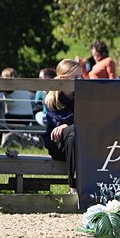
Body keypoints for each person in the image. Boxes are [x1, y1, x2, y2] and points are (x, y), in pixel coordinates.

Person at [43, 58, 82, 204]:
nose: (80, 80)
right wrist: (69, 125)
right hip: (59, 144)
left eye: (81, 76)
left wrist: (68, 125)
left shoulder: (84, 96)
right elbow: (58, 124)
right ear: (63, 79)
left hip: (80, 142)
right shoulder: (53, 99)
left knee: (73, 131)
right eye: (76, 77)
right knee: (72, 133)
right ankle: (74, 187)